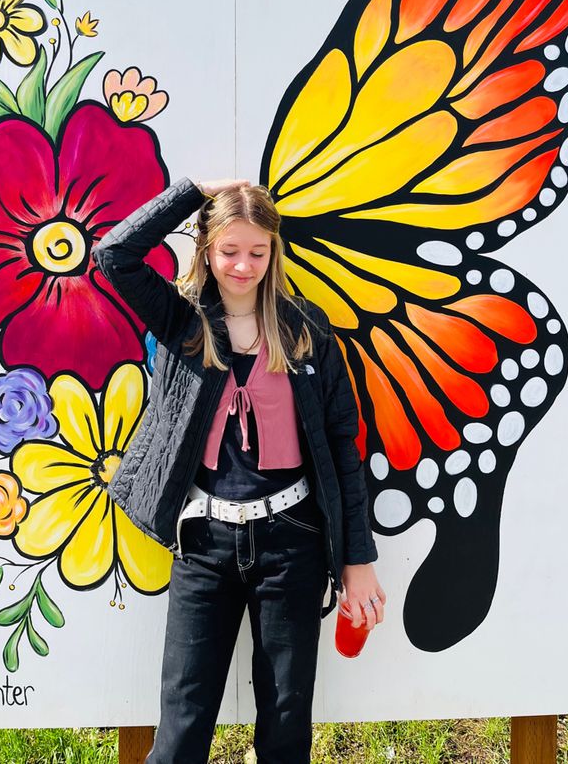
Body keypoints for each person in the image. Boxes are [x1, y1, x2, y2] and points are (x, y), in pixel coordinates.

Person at [94, 176, 385, 764]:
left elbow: (341, 444)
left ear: (275, 252)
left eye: (258, 252)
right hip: (203, 544)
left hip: (291, 545)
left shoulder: (305, 331)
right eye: (229, 251)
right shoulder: (183, 322)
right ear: (206, 250)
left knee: (284, 731)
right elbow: (112, 255)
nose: (243, 266)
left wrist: (357, 560)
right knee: (181, 731)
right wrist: (192, 193)